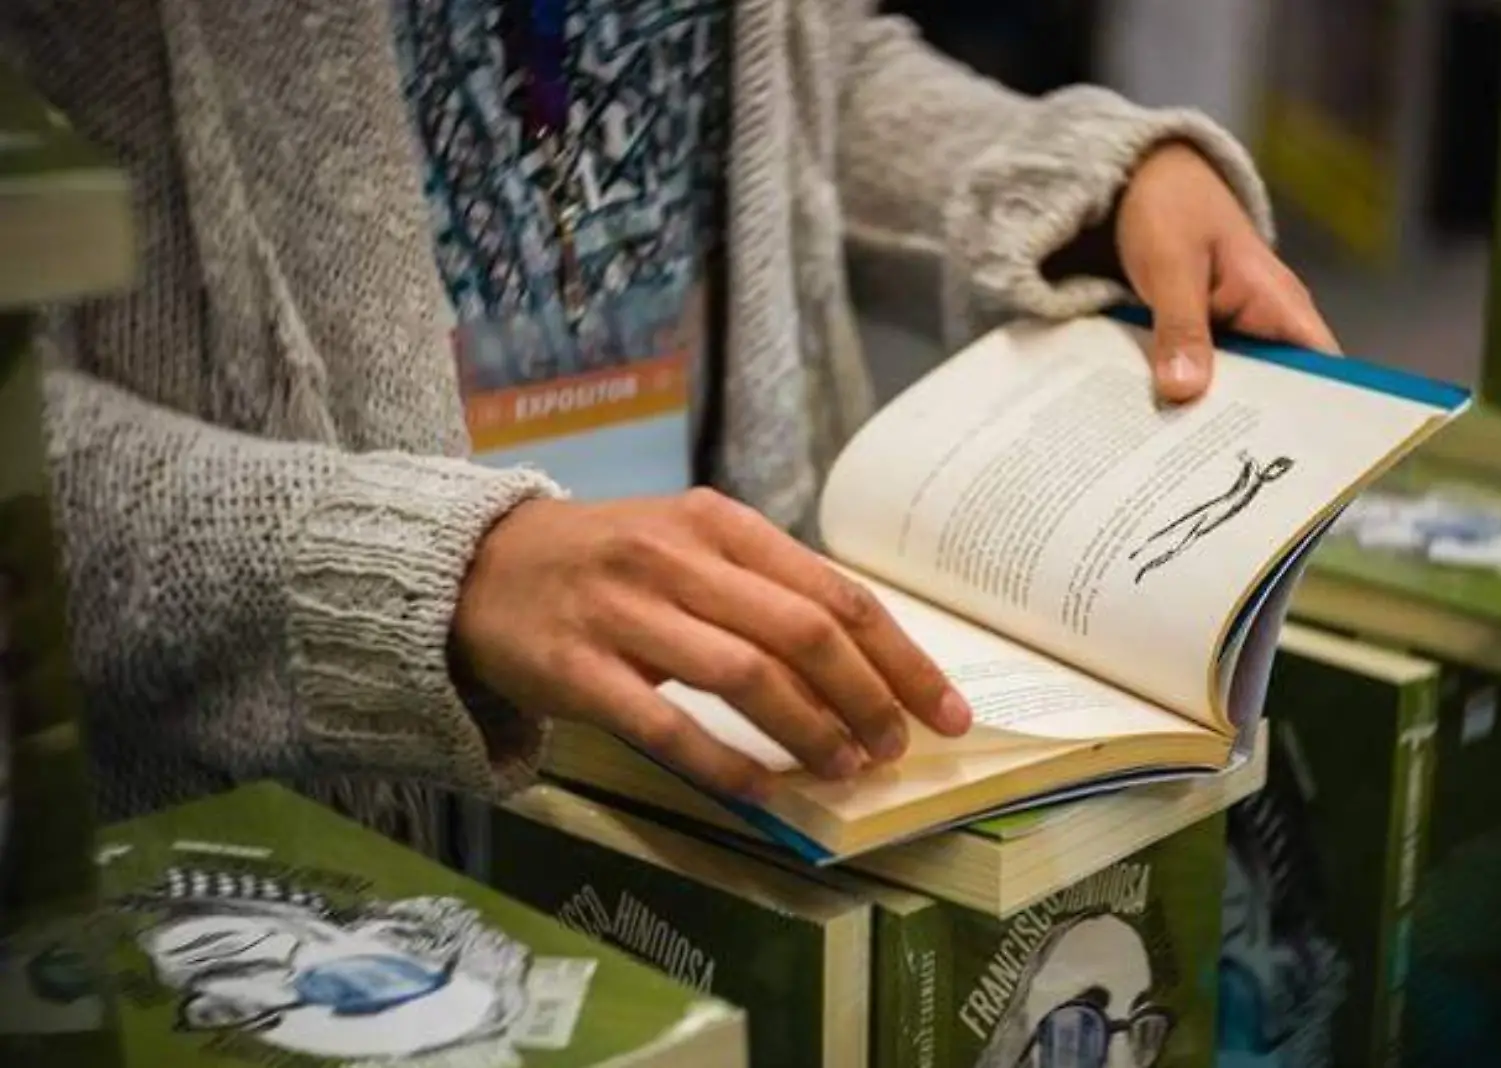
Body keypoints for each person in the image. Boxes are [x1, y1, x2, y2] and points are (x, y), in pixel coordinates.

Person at [0, 0, 1337, 854]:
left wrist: (1087, 183)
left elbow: (794, 70)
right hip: (279, 831)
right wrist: (432, 571)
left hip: (731, 749)